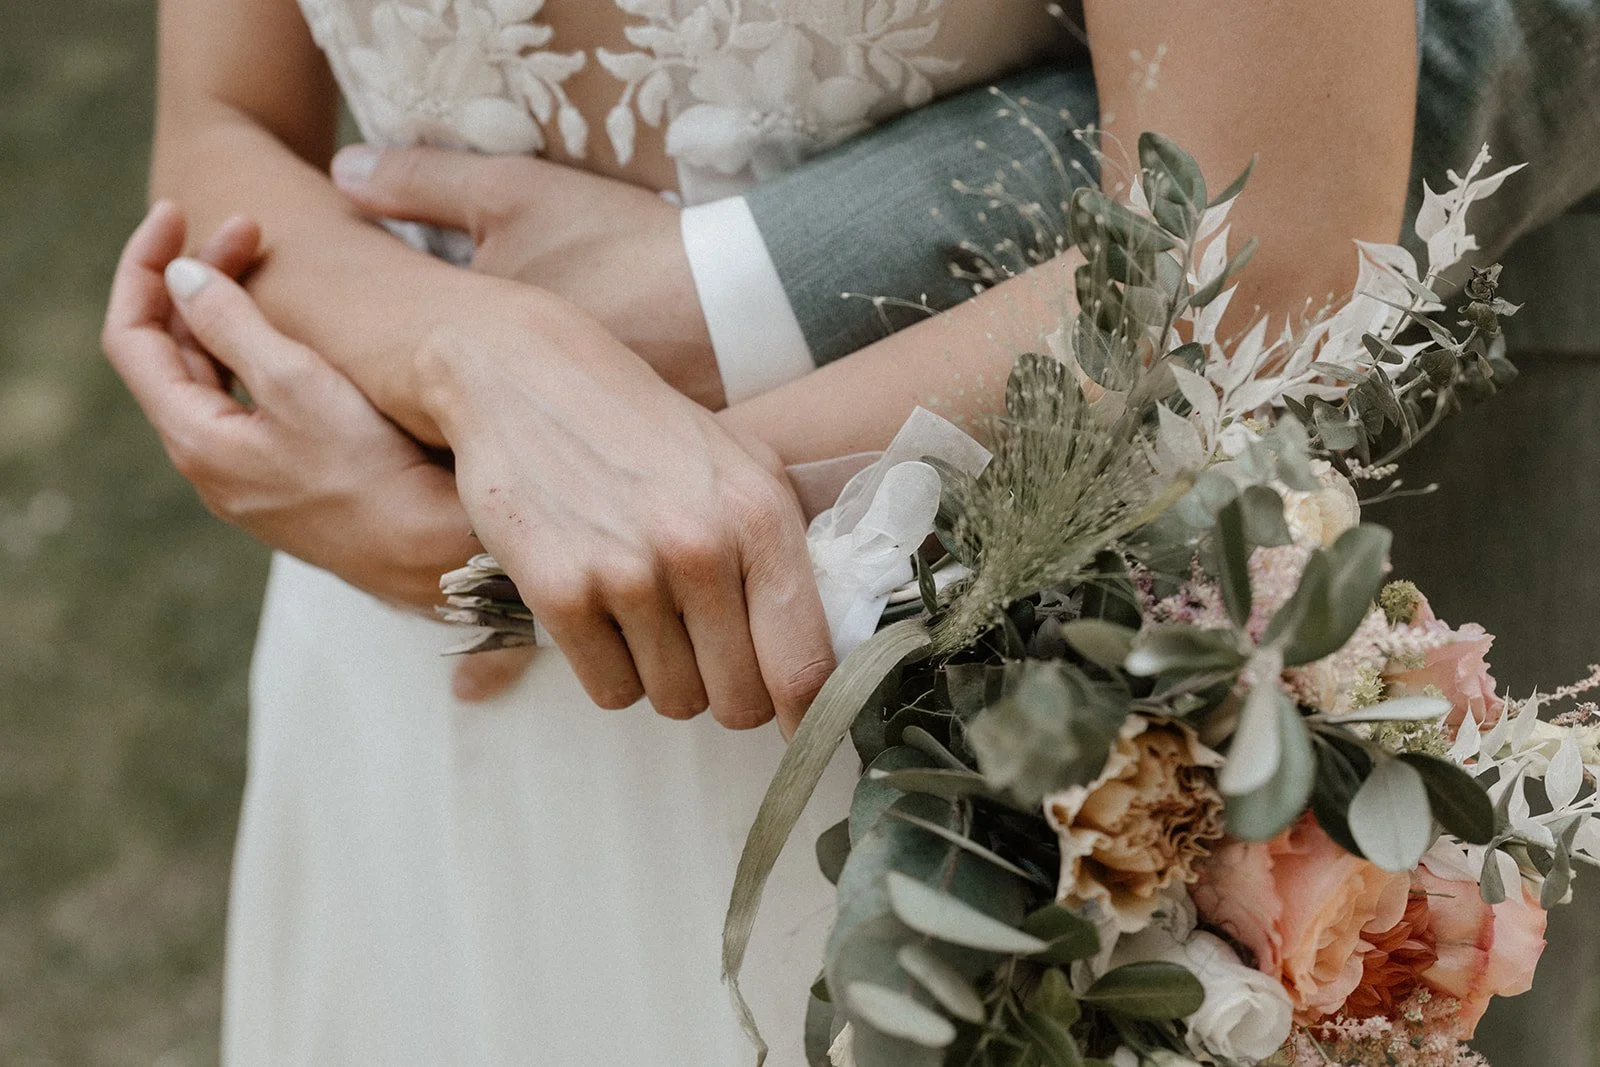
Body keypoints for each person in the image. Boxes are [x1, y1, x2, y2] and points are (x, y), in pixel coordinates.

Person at [97, 0, 1597, 1063]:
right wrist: (480, 366)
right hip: (413, 686)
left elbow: (1266, 262)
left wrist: (578, 528)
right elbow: (222, 127)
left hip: (950, 721)